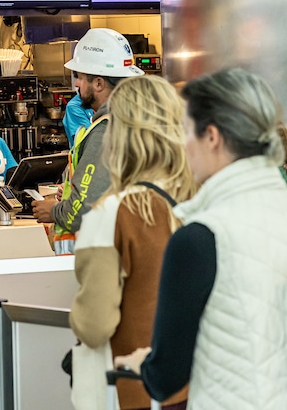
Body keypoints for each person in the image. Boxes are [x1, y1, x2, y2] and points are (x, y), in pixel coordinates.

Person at [114, 68, 287, 410]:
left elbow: (166, 379)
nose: (183, 146)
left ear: (212, 136)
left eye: (186, 132)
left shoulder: (199, 236)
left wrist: (140, 365)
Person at [69, 75, 192, 410]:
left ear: (120, 136)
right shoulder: (200, 203)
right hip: (194, 388)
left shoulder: (113, 213)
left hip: (129, 390)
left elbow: (94, 325)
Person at [32, 28, 143, 252]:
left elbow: (83, 211)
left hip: (105, 253)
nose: (77, 86)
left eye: (80, 78)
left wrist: (53, 210)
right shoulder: (135, 120)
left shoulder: (106, 131)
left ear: (99, 83)